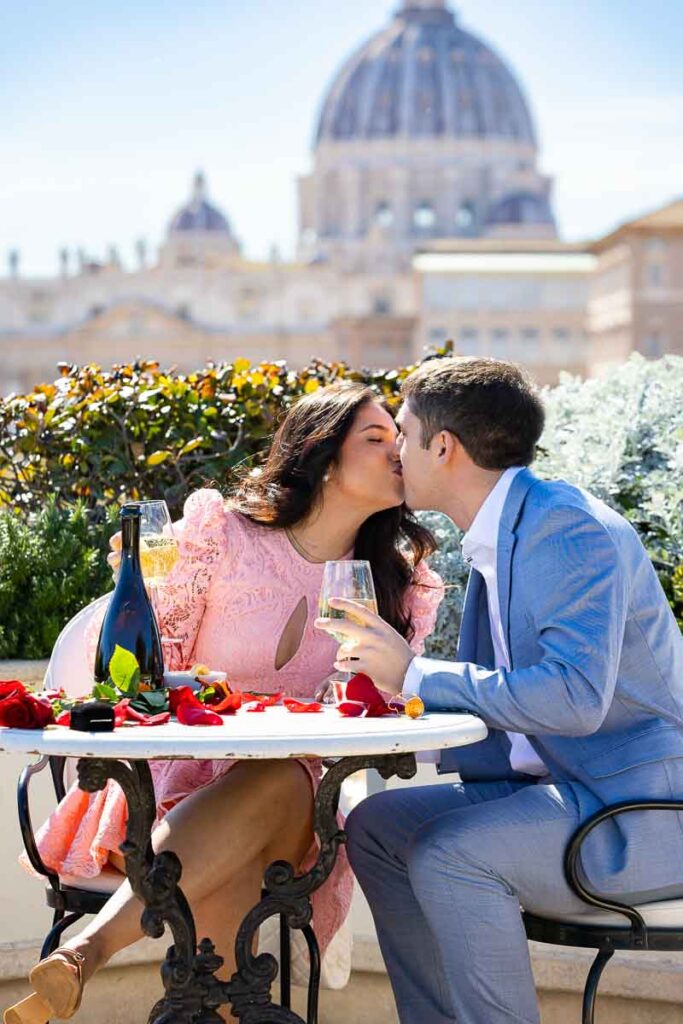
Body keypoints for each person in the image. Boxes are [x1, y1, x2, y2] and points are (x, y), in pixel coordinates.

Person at [7, 381, 444, 1024]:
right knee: (238, 861)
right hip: (170, 775)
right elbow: (151, 676)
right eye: (375, 440)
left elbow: (376, 711)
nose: (397, 452)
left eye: (397, 439)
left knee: (276, 778)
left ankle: (85, 950)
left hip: (296, 792)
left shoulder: (396, 584)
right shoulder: (225, 535)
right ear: (324, 458)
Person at [317, 357, 683, 1024]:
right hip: (564, 788)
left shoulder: (564, 529)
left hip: (642, 812)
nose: (396, 451)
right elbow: (513, 703)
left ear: (444, 448)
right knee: (374, 826)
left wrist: (415, 675)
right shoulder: (503, 534)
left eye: (402, 433)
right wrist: (398, 705)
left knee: (451, 855)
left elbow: (573, 698)